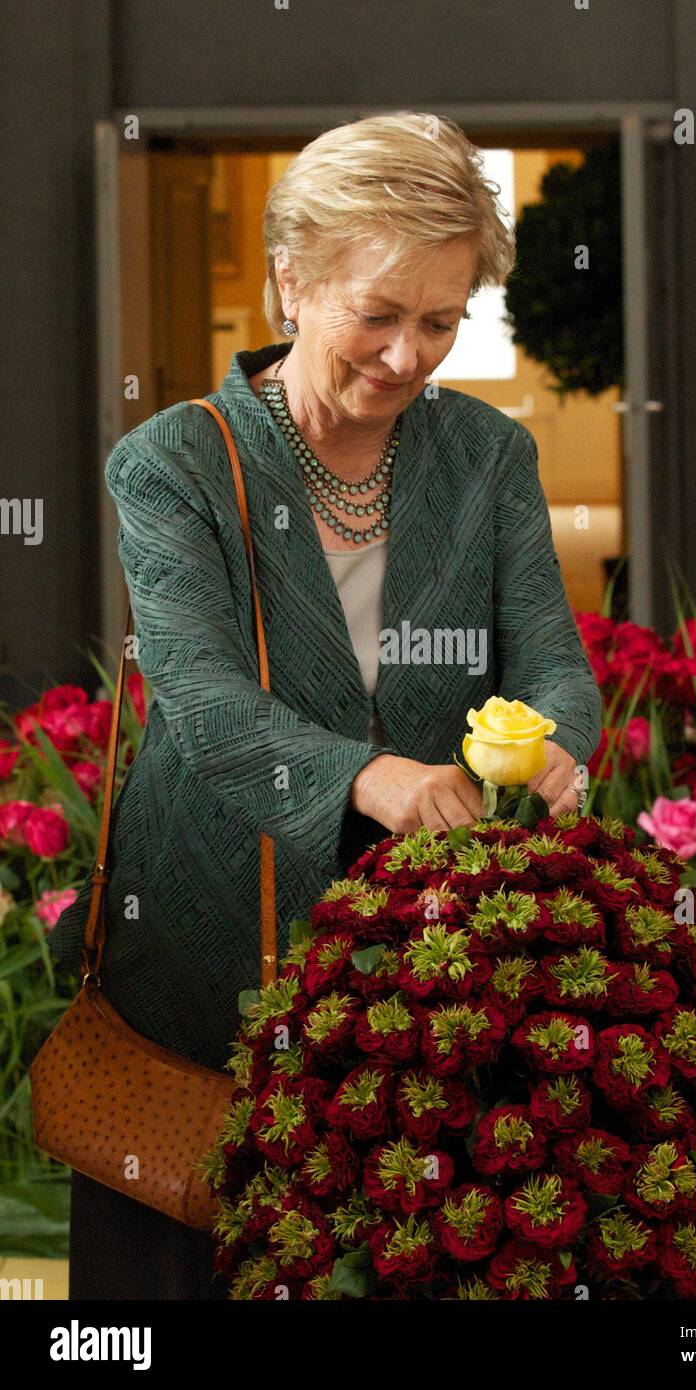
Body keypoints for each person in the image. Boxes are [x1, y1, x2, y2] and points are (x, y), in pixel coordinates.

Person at [49, 110, 602, 1299]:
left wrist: (550, 746)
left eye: (442, 321)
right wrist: (375, 778)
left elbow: (552, 663)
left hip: (421, 972)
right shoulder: (175, 462)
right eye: (379, 313)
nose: (409, 356)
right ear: (289, 284)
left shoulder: (487, 459)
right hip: (202, 960)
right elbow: (198, 701)